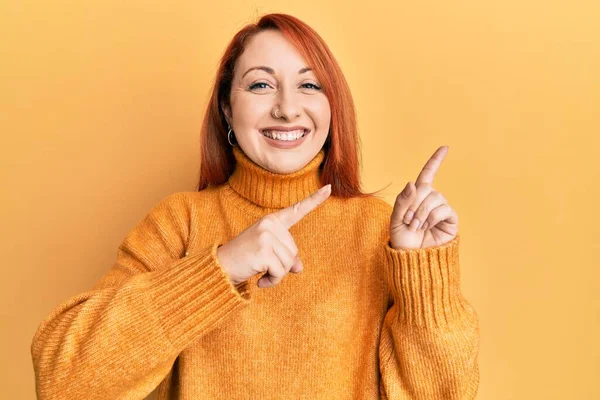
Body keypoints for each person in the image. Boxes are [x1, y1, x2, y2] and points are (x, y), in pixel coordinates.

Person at [30, 13, 479, 399]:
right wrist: (219, 268)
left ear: (332, 106)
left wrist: (421, 273)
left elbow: (446, 393)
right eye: (261, 84)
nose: (287, 109)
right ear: (227, 107)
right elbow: (63, 379)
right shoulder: (180, 222)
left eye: (309, 85)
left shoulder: (379, 231)